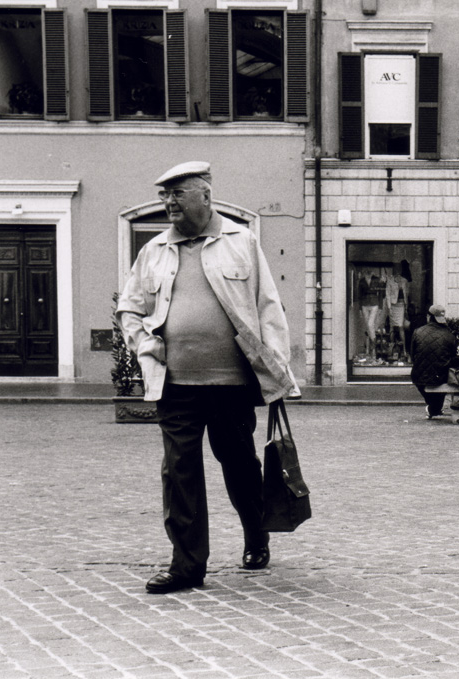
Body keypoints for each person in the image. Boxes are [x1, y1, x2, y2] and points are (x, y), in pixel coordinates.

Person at [117, 161, 297, 594]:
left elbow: (268, 308)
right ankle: (187, 566)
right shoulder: (154, 250)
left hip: (231, 383)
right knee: (179, 472)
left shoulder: (240, 241)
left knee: (239, 468)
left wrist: (278, 375)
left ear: (205, 196)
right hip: (174, 383)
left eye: (177, 194)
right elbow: (130, 307)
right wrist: (144, 346)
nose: (168, 203)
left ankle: (257, 536)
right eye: (164, 196)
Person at [409, 304, 457, 419]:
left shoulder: (417, 332)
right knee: (443, 375)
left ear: (428, 316)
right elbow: (453, 356)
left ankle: (433, 407)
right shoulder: (449, 334)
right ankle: (435, 407)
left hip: (419, 375)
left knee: (419, 379)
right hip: (441, 375)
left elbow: (412, 354)